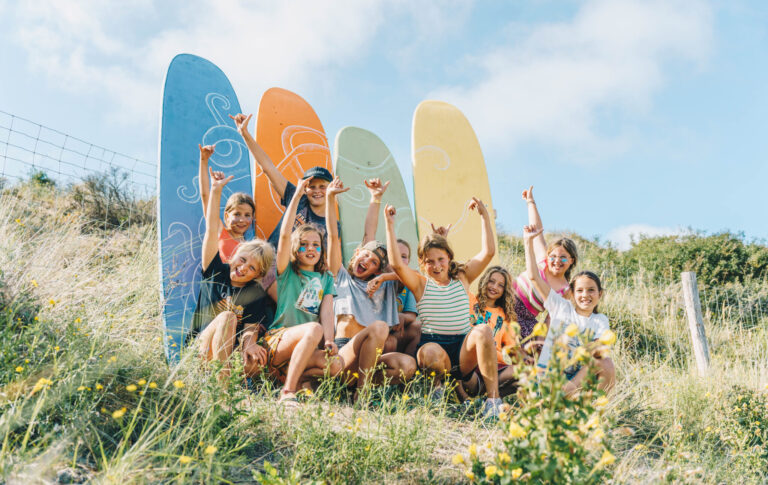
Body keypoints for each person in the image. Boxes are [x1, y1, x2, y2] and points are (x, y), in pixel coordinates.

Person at [384, 198, 504, 418]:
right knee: (429, 352)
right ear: (422, 263)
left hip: (461, 351)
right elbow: (396, 264)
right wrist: (389, 225)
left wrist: (484, 216)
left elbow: (488, 252)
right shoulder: (421, 283)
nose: (437, 266)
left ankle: (493, 401)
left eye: (441, 259)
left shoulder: (463, 277)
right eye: (430, 261)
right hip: (434, 348)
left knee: (483, 330)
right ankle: (436, 393)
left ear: (449, 257)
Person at [230, 113, 341, 301]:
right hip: (270, 262)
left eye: (322, 186)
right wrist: (245, 135)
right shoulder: (297, 198)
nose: (316, 191)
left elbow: (330, 263)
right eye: (311, 186)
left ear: (330, 188)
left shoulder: (332, 225)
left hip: (298, 276)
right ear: (304, 188)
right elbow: (268, 168)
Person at [326, 177, 416, 398]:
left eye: (374, 261)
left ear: (377, 270)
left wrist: (384, 278)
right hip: (343, 353)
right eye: (365, 255)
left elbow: (409, 274)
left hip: (370, 361)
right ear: (356, 254)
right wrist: (331, 199)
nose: (367, 260)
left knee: (407, 365)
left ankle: (354, 388)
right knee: (379, 328)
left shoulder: (385, 286)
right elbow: (334, 236)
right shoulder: (341, 277)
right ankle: (362, 394)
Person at [262, 177, 341, 405]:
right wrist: (296, 195)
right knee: (313, 328)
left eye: (316, 245)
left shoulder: (325, 278)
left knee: (335, 365)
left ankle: (293, 378)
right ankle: (288, 392)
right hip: (278, 341)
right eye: (305, 244)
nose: (311, 249)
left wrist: (329, 341)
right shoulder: (287, 271)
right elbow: (285, 235)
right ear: (296, 250)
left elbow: (327, 312)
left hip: (306, 345)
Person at [192, 167, 275, 384]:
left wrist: (251, 344)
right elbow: (211, 230)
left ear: (259, 274)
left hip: (229, 352)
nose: (244, 268)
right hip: (201, 346)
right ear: (236, 254)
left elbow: (249, 329)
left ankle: (237, 381)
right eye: (243, 260)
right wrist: (216, 190)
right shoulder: (215, 271)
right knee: (227, 317)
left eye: (252, 268)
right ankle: (224, 389)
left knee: (256, 357)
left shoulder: (255, 292)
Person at [523, 223, 616, 396]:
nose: (585, 295)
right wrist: (528, 242)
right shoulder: (560, 306)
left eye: (591, 290)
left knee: (606, 363)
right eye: (579, 290)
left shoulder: (600, 320)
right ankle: (559, 400)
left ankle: (586, 409)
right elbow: (533, 276)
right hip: (550, 380)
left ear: (600, 294)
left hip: (575, 382)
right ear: (571, 293)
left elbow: (599, 351)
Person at [514, 186, 579, 340]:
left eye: (563, 258)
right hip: (507, 300)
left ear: (571, 261)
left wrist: (541, 342)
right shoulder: (543, 260)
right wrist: (530, 202)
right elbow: (537, 230)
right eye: (553, 256)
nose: (557, 261)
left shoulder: (565, 290)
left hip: (525, 320)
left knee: (531, 351)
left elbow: (551, 320)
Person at [466, 266, 521, 397]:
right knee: (459, 373)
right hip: (471, 364)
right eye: (491, 281)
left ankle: (489, 394)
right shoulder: (471, 301)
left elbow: (513, 350)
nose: (494, 287)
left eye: (500, 285)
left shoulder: (506, 317)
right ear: (484, 281)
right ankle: (481, 394)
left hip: (495, 367)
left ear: (505, 290)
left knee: (523, 372)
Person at [198, 144, 257, 263]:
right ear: (226, 216)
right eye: (237, 214)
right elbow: (205, 197)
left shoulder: (250, 247)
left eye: (247, 215)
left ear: (252, 218)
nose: (242, 220)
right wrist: (204, 161)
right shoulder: (220, 232)